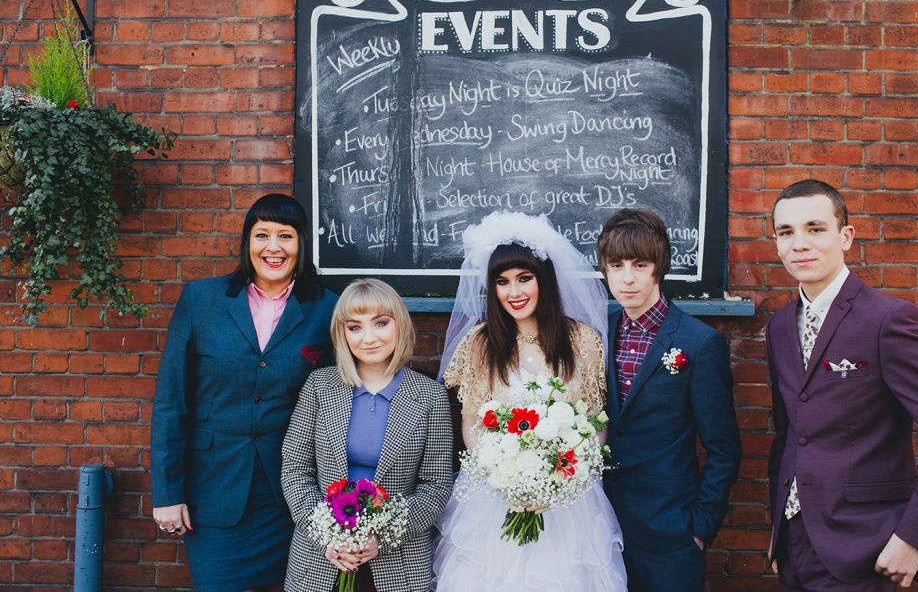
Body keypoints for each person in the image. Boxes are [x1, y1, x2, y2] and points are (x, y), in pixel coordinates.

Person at [767, 179, 918, 591]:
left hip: (867, 548)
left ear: (845, 236)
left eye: (815, 228)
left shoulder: (887, 320)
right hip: (796, 546)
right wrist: (781, 532)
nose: (799, 243)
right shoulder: (779, 327)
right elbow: (790, 436)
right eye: (786, 232)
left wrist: (913, 538)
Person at [150, 193, 338, 592]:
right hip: (214, 492)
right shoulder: (201, 300)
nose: (273, 247)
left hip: (289, 497)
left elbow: (337, 404)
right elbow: (171, 403)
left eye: (285, 236)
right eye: (262, 235)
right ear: (246, 242)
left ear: (301, 244)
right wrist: (168, 492)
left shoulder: (327, 309)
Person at [433, 211, 627, 592]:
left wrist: (566, 473)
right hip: (495, 497)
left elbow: (596, 420)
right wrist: (503, 475)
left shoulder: (581, 342)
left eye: (525, 278)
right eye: (502, 282)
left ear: (545, 280)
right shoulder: (480, 344)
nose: (514, 292)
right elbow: (471, 421)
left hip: (570, 500)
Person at [597, 208, 742, 592]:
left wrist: (699, 527)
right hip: (604, 528)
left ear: (659, 268)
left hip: (672, 534)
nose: (627, 278)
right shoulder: (598, 333)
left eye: (639, 265)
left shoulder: (698, 342)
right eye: (616, 265)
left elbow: (723, 448)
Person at [280, 278, 453, 592]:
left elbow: (436, 485)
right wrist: (325, 534)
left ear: (399, 324)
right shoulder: (319, 387)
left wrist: (382, 537)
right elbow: (295, 470)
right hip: (322, 560)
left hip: (399, 563)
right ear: (342, 333)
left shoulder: (430, 397)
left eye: (381, 323)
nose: (368, 338)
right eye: (355, 327)